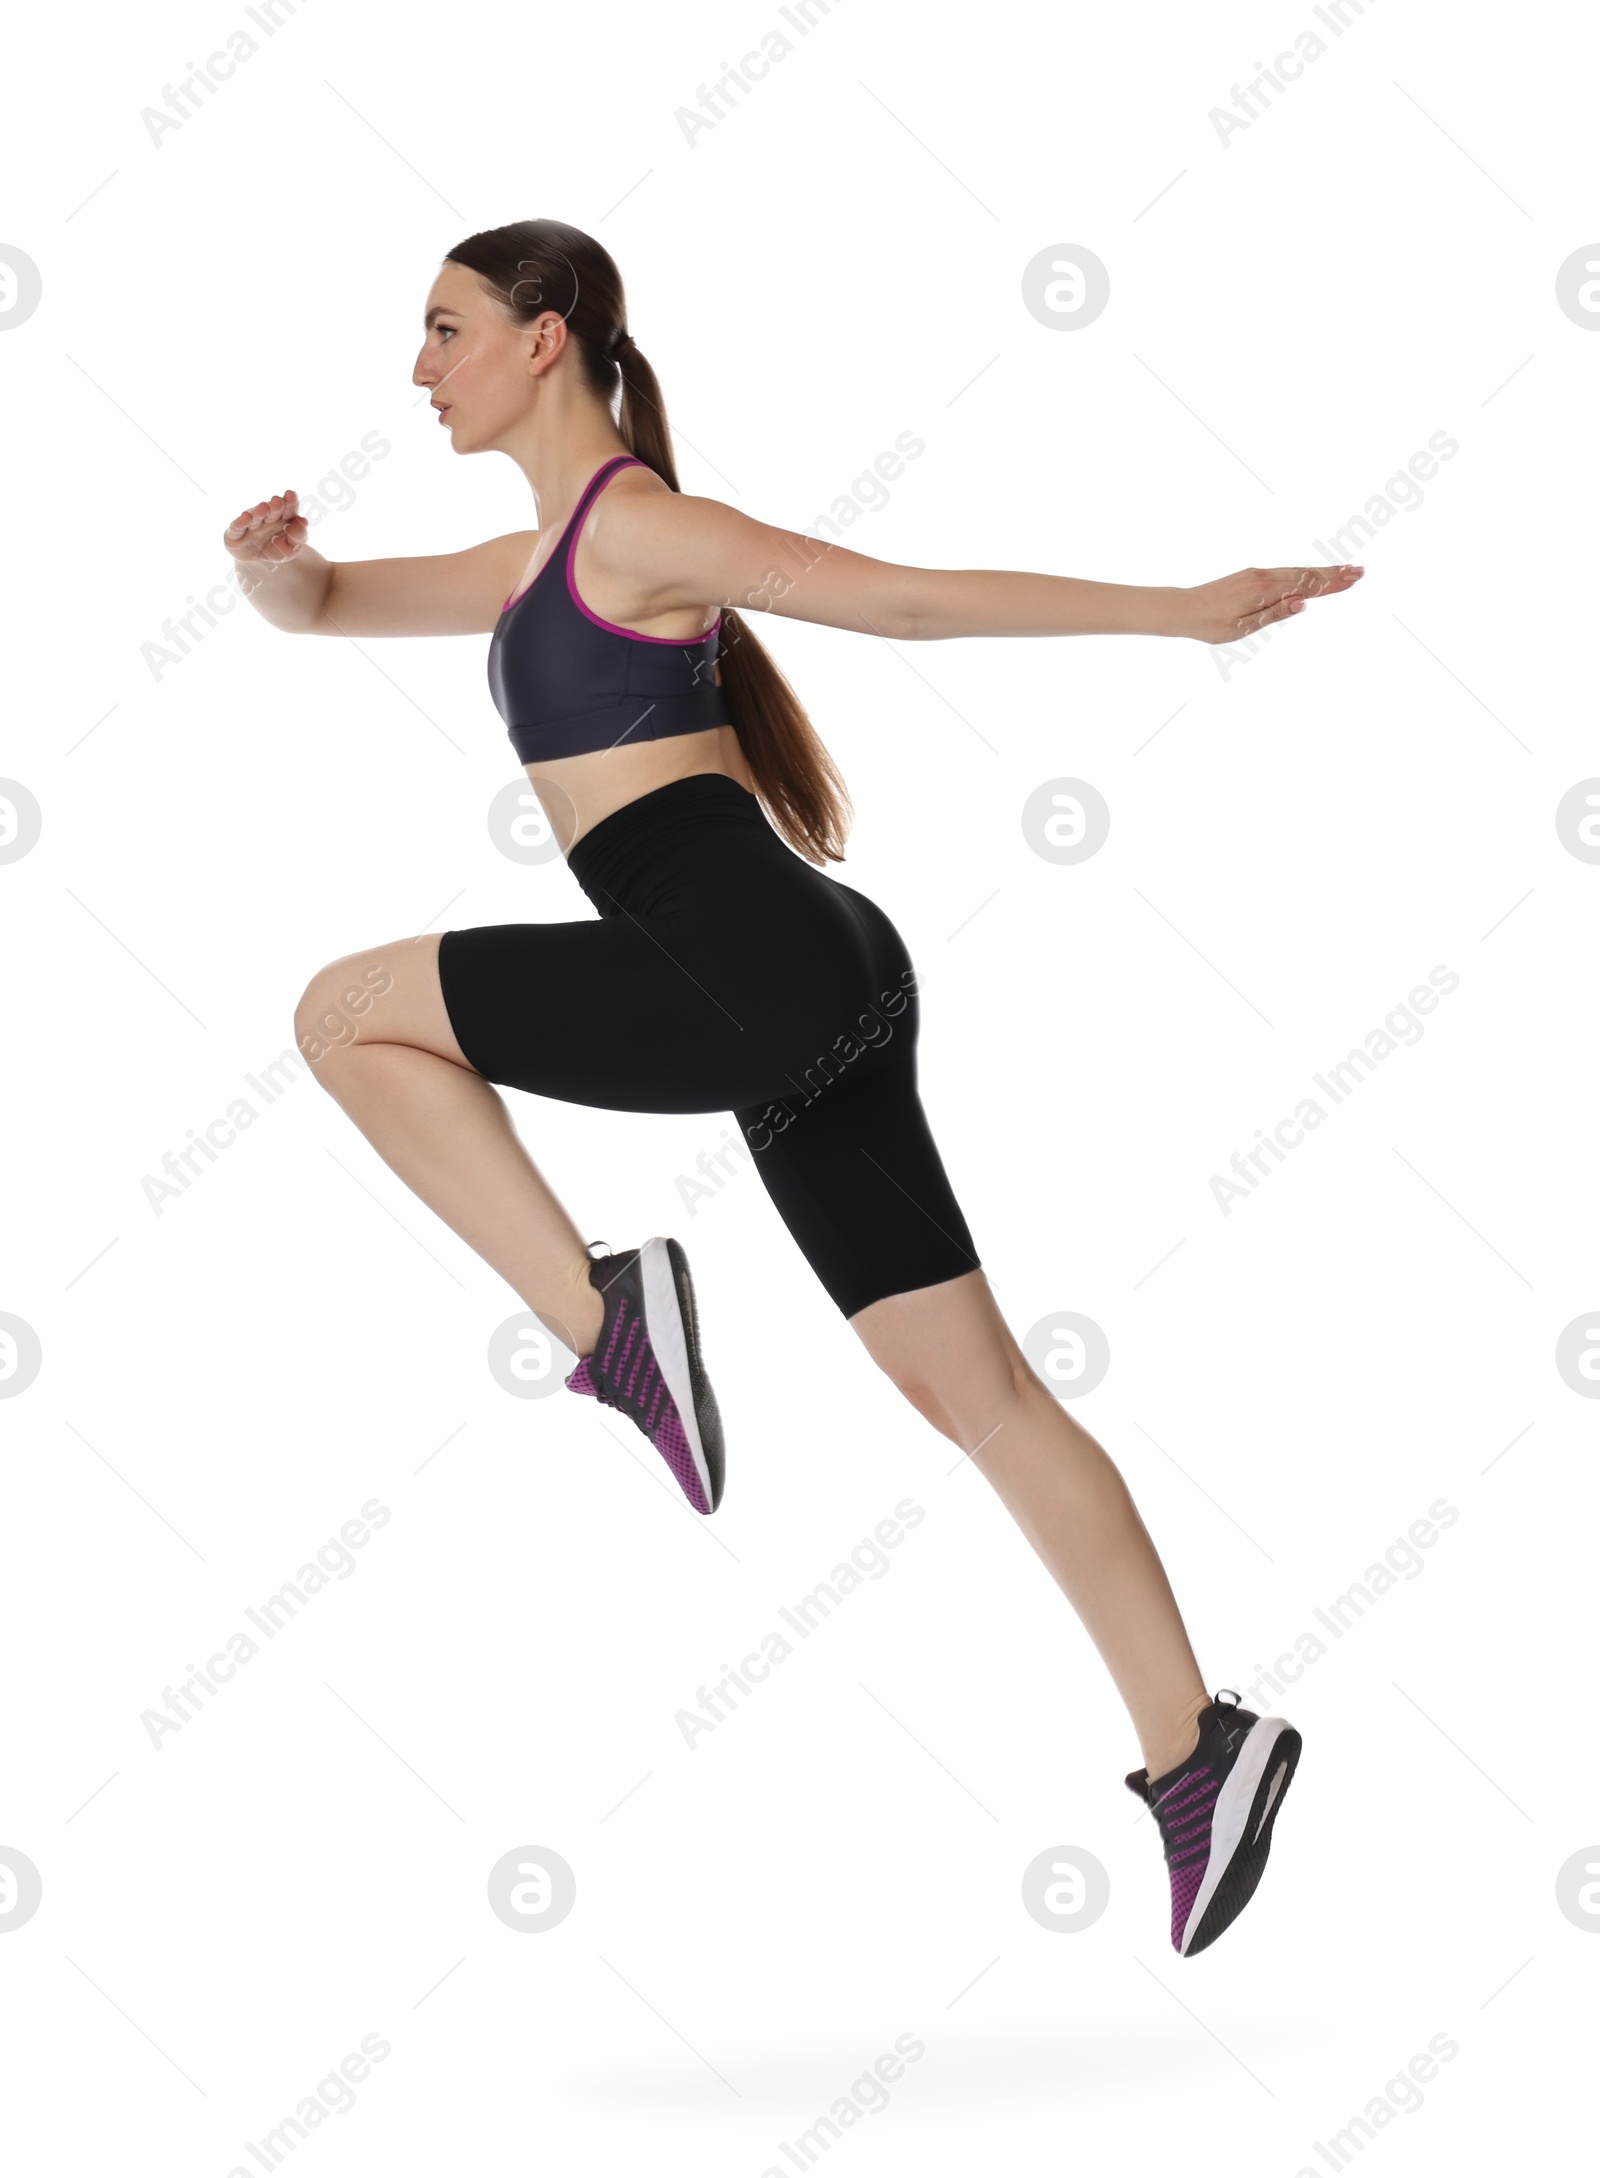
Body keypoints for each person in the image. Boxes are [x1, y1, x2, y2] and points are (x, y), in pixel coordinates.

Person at [224, 218, 1361, 1956]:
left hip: (741, 964)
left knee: (339, 1011)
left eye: (446, 329)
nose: (418, 366)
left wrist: (1180, 612)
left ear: (546, 341)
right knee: (973, 1396)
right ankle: (1199, 1744)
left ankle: (607, 1310)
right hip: (807, 973)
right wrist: (270, 564)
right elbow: (322, 609)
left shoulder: (641, 529)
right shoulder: (526, 564)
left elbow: (899, 597)